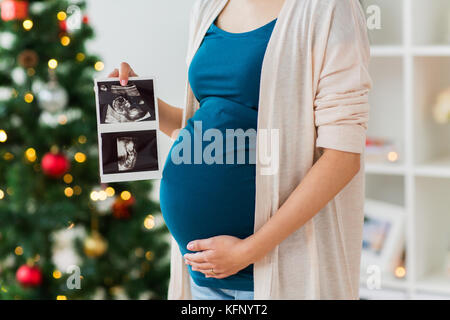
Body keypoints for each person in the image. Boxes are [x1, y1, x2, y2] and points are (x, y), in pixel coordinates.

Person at [108, 0, 371, 300]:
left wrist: (248, 251)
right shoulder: (208, 6)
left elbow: (342, 156)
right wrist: (136, 99)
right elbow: (203, 126)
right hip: (203, 275)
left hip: (276, 275)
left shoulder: (329, 8)